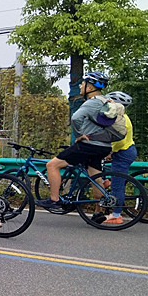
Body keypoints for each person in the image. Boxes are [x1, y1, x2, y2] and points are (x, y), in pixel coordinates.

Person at [36, 71, 113, 211]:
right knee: (96, 177)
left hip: (89, 145)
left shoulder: (91, 103)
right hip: (104, 146)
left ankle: (54, 200)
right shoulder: (107, 101)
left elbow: (75, 118)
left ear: (90, 88)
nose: (81, 86)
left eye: (83, 84)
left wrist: (79, 135)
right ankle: (100, 211)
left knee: (52, 165)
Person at [101, 91, 137, 225]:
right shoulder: (122, 117)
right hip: (125, 151)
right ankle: (105, 180)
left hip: (123, 152)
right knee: (114, 178)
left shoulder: (121, 120)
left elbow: (120, 142)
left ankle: (116, 215)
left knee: (118, 185)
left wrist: (110, 152)